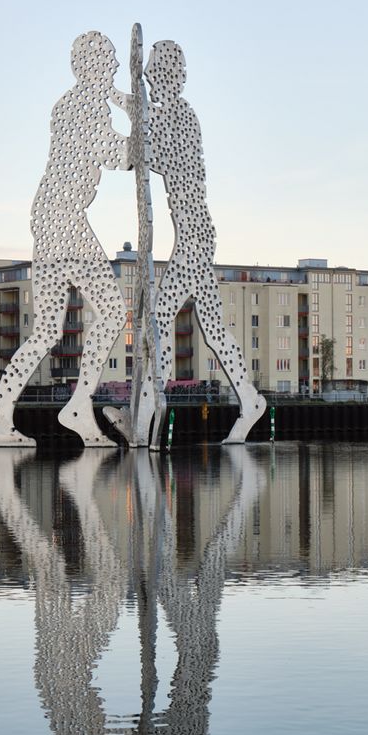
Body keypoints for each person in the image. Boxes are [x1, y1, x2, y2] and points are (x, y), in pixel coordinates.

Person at [0, 31, 130, 447]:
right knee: (114, 310)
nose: (116, 68)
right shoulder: (83, 105)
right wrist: (140, 119)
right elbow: (118, 155)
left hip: (50, 218)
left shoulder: (72, 103)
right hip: (63, 221)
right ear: (93, 66)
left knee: (47, 331)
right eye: (110, 61)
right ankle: (80, 404)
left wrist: (125, 104)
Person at [129, 40, 265, 447]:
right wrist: (128, 100)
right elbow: (148, 138)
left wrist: (135, 125)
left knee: (160, 315)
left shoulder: (182, 116)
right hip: (193, 233)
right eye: (150, 74)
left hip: (195, 233)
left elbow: (166, 160)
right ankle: (250, 399)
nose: (153, 80)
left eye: (158, 74)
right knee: (212, 327)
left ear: (174, 78)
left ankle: (153, 402)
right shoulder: (164, 113)